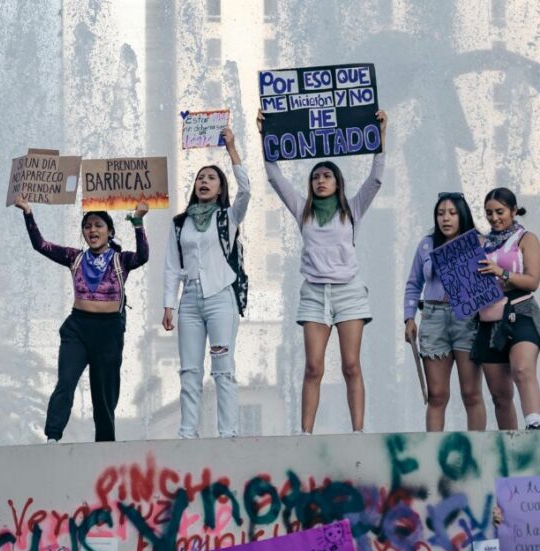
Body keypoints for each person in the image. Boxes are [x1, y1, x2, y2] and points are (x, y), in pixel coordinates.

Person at [259, 109, 388, 433]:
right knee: (314, 367)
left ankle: (358, 432)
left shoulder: (352, 210)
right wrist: (266, 134)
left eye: (326, 176)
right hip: (314, 294)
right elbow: (275, 178)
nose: (320, 180)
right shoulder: (303, 210)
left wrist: (381, 134)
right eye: (316, 177)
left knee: (350, 365)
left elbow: (375, 179)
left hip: (349, 292)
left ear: (337, 182)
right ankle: (306, 434)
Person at [15, 195, 149, 442]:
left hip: (109, 331)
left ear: (110, 231)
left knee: (104, 392)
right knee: (66, 380)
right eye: (87, 226)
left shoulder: (121, 260)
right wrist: (28, 212)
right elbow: (40, 245)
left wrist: (138, 222)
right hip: (78, 328)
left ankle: (105, 443)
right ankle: (53, 436)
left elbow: (143, 256)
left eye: (98, 225)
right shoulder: (74, 257)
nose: (92, 230)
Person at [162, 127, 249, 439]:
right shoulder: (179, 224)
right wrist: (168, 305)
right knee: (189, 372)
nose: (204, 182)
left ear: (220, 187)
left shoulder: (228, 216)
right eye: (200, 177)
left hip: (221, 299)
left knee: (223, 369)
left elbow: (247, 192)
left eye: (211, 178)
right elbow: (172, 266)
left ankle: (228, 434)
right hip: (189, 302)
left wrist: (232, 148)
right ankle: (188, 434)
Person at [403, 193, 485, 431]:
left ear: (462, 215)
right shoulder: (427, 244)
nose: (445, 219)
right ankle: (433, 455)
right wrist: (409, 318)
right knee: (437, 395)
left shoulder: (478, 241)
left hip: (467, 318)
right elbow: (413, 284)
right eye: (440, 214)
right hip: (433, 317)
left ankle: (477, 457)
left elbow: (490, 279)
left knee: (471, 393)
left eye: (452, 213)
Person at [473, 187, 540, 429]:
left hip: (520, 311)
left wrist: (502, 272)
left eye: (500, 212)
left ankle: (534, 427)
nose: (494, 218)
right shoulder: (481, 243)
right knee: (500, 395)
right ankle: (511, 449)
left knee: (522, 369)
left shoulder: (526, 238)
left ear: (513, 210)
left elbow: (533, 281)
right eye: (489, 213)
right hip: (489, 318)